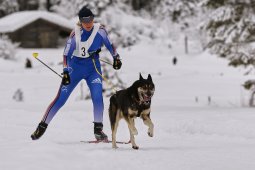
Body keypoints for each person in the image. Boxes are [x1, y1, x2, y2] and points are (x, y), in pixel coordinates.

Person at [31, 6, 122, 141]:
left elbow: (109, 44)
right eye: (85, 21)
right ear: (80, 21)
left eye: (90, 20)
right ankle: (42, 126)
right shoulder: (75, 34)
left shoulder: (100, 30)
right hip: (75, 69)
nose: (88, 24)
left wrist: (116, 58)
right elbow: (66, 55)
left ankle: (98, 130)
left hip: (93, 69)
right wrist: (66, 72)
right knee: (61, 99)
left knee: (97, 97)